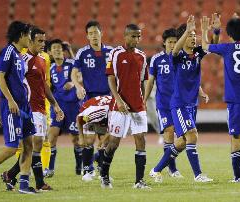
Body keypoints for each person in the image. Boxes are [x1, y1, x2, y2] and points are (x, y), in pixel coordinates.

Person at [149, 14, 220, 183]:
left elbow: (213, 45)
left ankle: (156, 169)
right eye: (190, 36)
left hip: (192, 104)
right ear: (183, 37)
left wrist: (211, 31)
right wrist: (187, 30)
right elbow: (173, 51)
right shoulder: (177, 57)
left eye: (194, 37)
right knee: (193, 135)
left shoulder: (196, 55)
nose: (194, 39)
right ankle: (198, 175)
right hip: (179, 103)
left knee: (181, 142)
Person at [1, 26, 64, 191]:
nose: (43, 44)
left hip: (42, 108)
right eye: (40, 41)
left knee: (36, 145)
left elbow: (44, 85)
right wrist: (8, 105)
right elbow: (11, 83)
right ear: (30, 41)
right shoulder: (22, 59)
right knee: (34, 144)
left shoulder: (43, 59)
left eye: (44, 40)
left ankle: (10, 175)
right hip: (30, 108)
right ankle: (37, 182)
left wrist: (55, 105)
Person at [201, 14, 240, 183]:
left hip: (237, 101)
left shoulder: (228, 48)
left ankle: (237, 178)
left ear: (229, 34)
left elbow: (206, 46)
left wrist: (208, 30)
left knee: (236, 138)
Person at [0, 21, 37, 194]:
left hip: (24, 107)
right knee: (11, 147)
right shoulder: (8, 51)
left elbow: (18, 82)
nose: (30, 39)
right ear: (21, 35)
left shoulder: (20, 55)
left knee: (29, 145)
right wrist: (9, 102)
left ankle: (23, 185)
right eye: (29, 35)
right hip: (14, 107)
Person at [99, 24, 150, 189]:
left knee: (141, 140)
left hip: (137, 106)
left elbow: (142, 81)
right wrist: (119, 100)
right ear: (125, 36)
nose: (136, 39)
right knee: (113, 143)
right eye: (133, 36)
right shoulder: (115, 53)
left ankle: (139, 181)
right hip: (119, 106)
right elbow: (111, 79)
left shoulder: (142, 56)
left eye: (139, 36)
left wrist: (143, 102)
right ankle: (104, 175)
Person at [71, 20, 113, 179]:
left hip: (106, 100)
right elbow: (74, 72)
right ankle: (88, 170)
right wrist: (78, 86)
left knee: (105, 138)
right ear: (87, 36)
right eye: (90, 33)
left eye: (96, 32)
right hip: (89, 100)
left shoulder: (111, 51)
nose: (94, 36)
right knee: (89, 138)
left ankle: (103, 171)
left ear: (101, 33)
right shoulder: (82, 52)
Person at [144, 28, 183, 179]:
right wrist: (145, 98)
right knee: (169, 132)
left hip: (179, 103)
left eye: (175, 42)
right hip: (164, 104)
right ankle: (172, 169)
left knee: (180, 138)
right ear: (164, 43)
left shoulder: (180, 58)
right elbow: (150, 81)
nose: (173, 45)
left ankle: (167, 167)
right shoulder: (156, 59)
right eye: (170, 42)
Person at [43, 39, 82, 177]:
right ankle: (50, 169)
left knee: (76, 140)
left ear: (62, 50)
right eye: (54, 48)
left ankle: (79, 165)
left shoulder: (71, 63)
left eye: (59, 48)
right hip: (58, 107)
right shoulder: (51, 68)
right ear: (50, 52)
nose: (57, 50)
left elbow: (81, 76)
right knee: (51, 136)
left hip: (73, 106)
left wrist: (72, 83)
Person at [76, 95, 112, 181]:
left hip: (105, 114)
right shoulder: (95, 113)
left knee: (106, 143)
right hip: (93, 112)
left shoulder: (118, 111)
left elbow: (112, 130)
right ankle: (87, 171)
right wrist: (81, 137)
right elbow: (79, 119)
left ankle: (103, 172)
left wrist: (102, 141)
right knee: (89, 140)